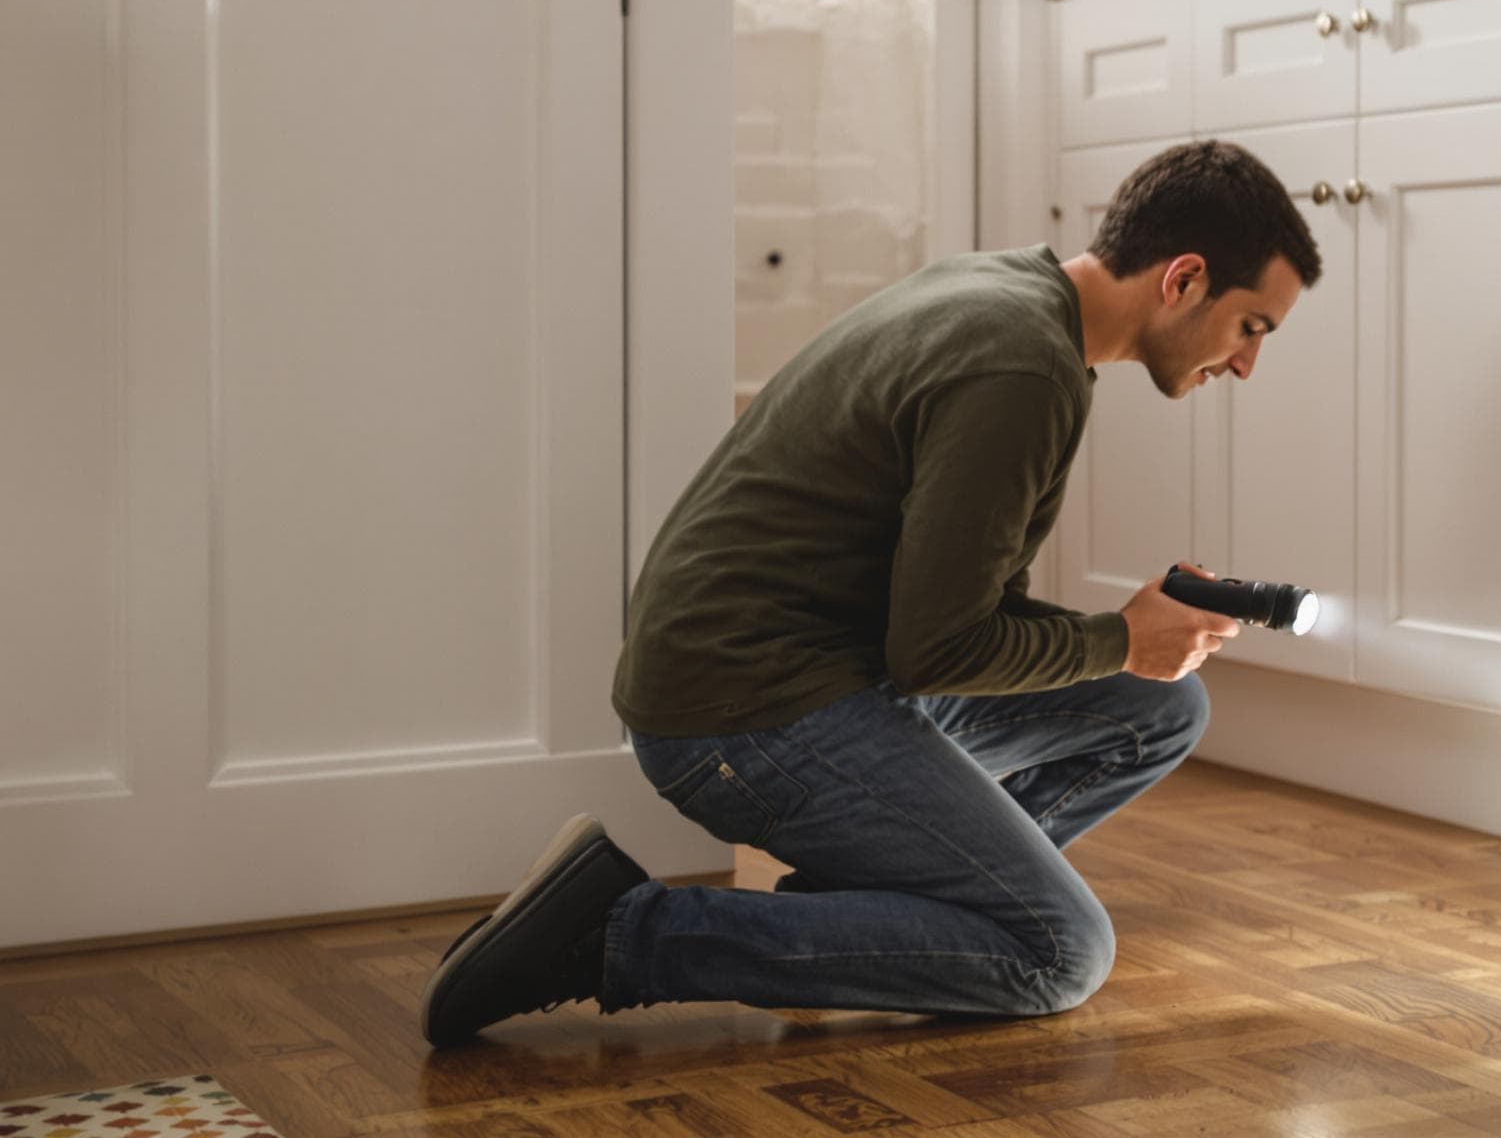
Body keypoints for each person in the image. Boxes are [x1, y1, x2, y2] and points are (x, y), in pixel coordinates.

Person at [421, 140, 1321, 1046]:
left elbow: (946, 619)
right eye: (1253, 327)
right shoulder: (1021, 367)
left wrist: (1135, 638)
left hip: (801, 676)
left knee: (1156, 708)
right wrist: (1121, 638)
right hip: (740, 715)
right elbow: (939, 651)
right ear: (1185, 279)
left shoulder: (1010, 294)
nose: (1246, 364)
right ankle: (618, 935)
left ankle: (849, 922)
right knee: (1058, 953)